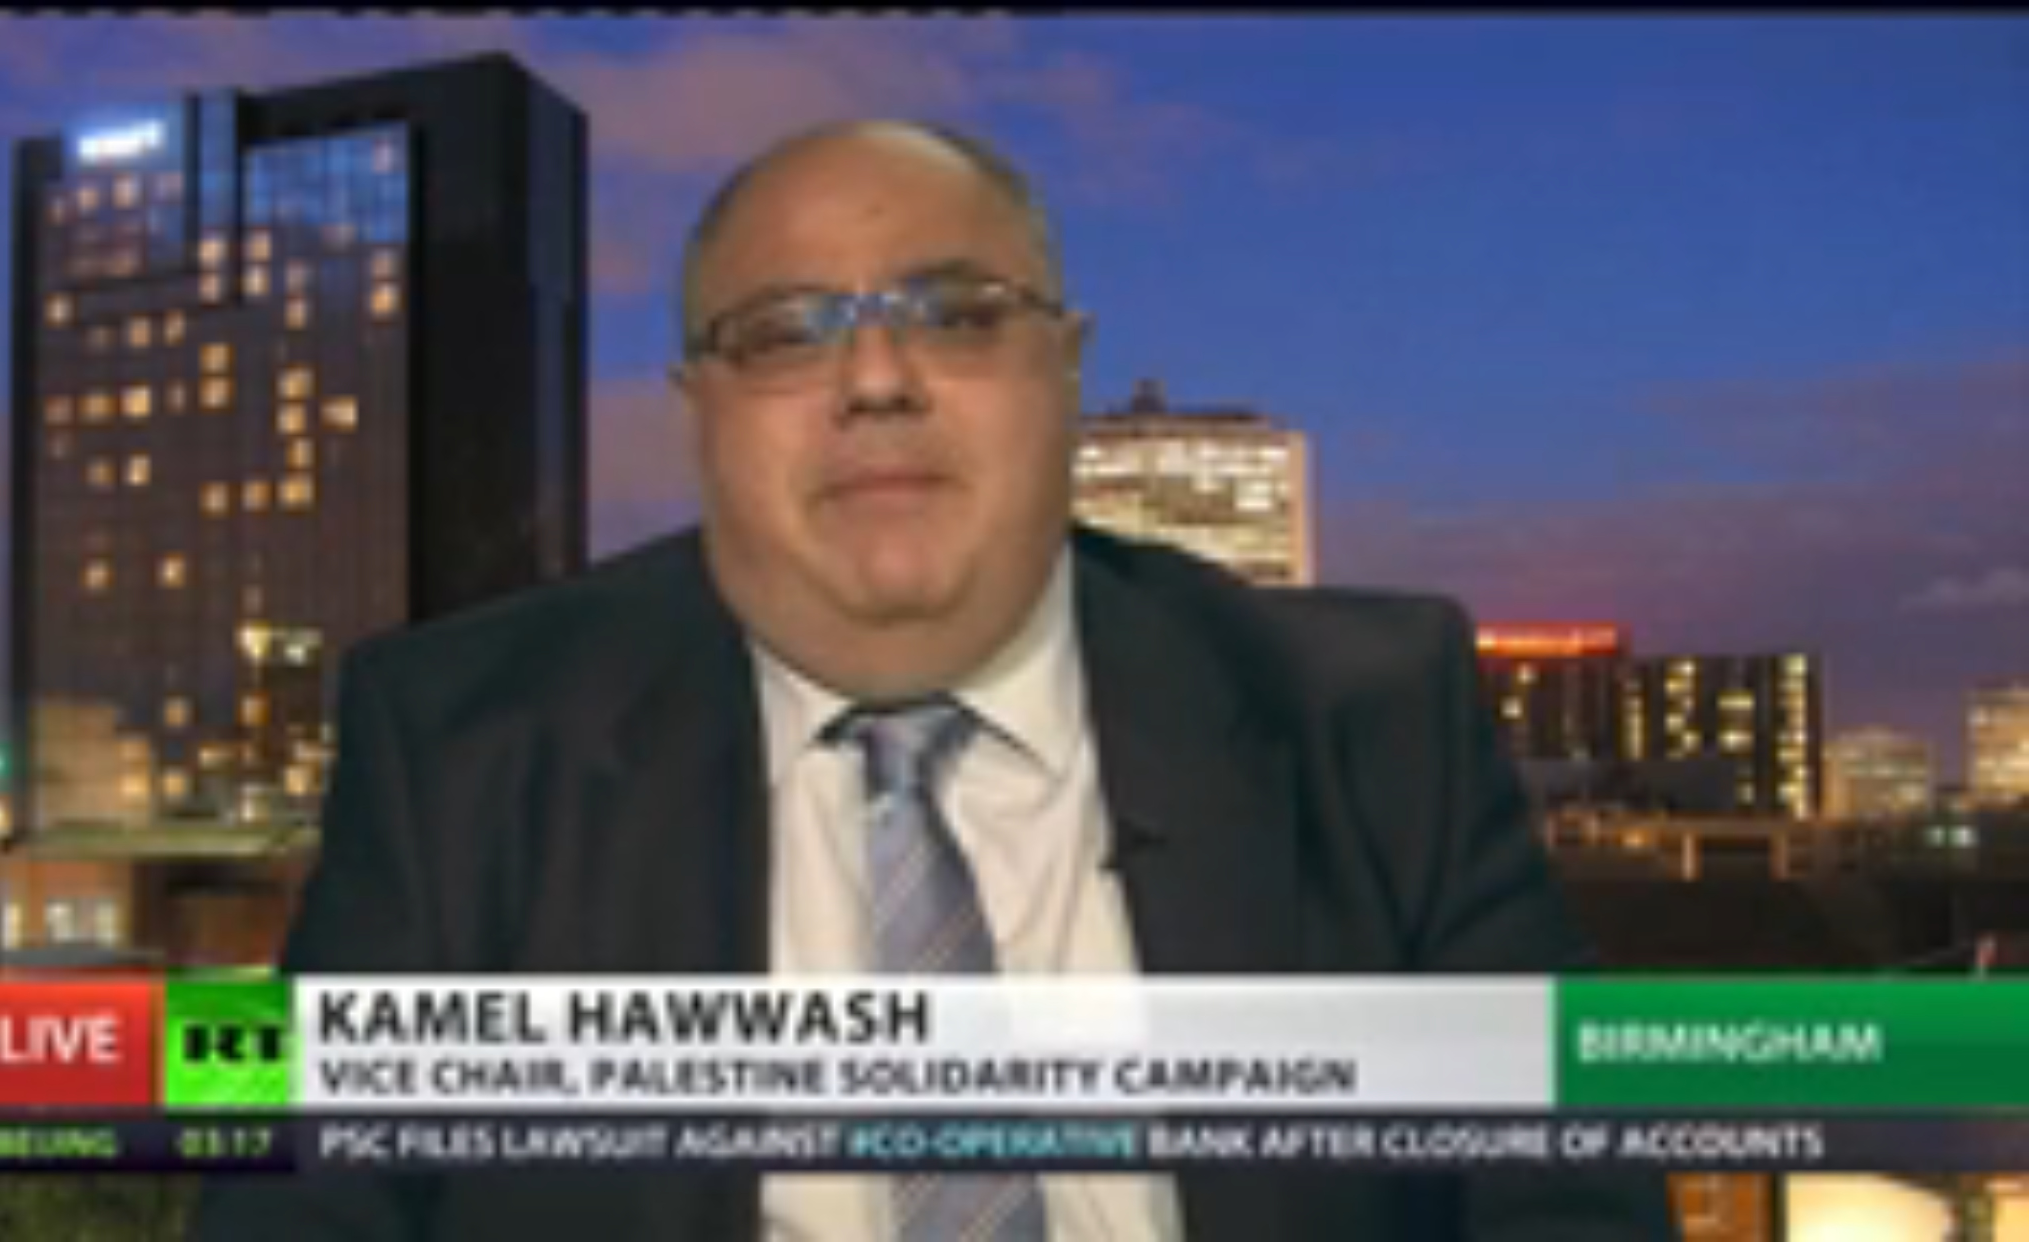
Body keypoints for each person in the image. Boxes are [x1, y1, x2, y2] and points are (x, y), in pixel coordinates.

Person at [193, 120, 1678, 1241]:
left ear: (1067, 370)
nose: (878, 378)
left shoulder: (1373, 716)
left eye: (958, 314)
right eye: (786, 334)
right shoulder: (455, 741)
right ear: (699, 413)